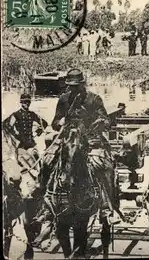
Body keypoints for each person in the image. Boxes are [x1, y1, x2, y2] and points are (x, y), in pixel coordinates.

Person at [44, 68, 118, 225]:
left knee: (103, 167)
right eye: (70, 86)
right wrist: (60, 123)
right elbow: (55, 121)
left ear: (82, 85)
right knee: (47, 161)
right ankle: (45, 203)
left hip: (91, 141)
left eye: (76, 86)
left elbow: (106, 120)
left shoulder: (94, 99)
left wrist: (100, 123)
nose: (73, 89)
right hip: (68, 141)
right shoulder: (64, 99)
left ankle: (107, 207)